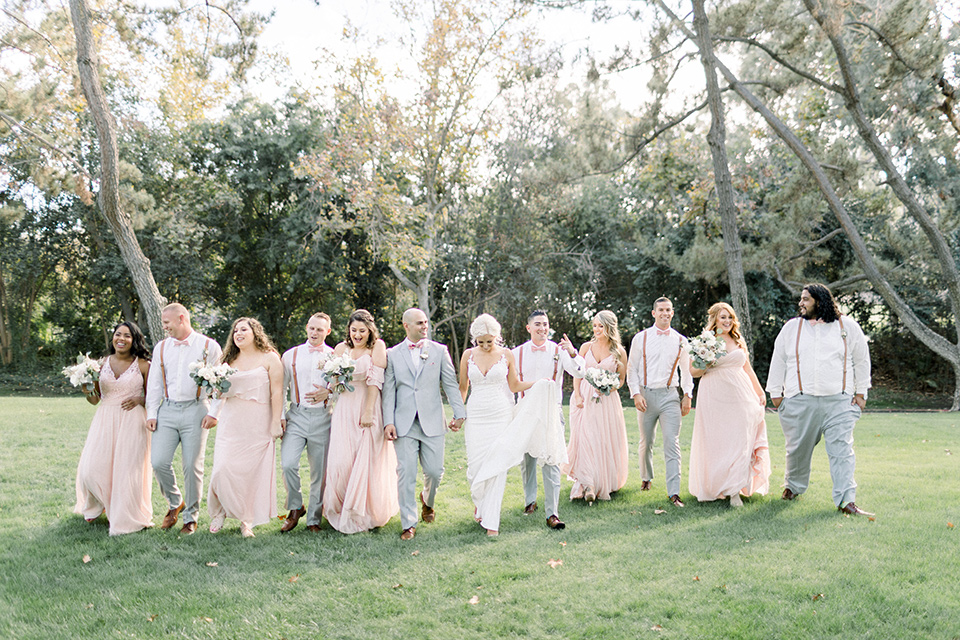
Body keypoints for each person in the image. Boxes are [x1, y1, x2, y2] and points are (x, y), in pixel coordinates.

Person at [766, 283, 873, 516]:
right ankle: (793, 486)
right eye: (801, 299)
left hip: (839, 402)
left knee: (842, 451)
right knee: (797, 450)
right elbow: (779, 359)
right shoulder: (791, 328)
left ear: (820, 300)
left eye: (805, 299)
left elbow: (861, 360)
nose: (800, 303)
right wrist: (775, 394)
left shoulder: (847, 326)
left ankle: (847, 501)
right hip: (800, 400)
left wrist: (861, 393)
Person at [383, 308, 467, 541]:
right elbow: (389, 391)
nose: (424, 326)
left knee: (434, 471)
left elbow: (450, 383)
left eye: (426, 322)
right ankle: (408, 524)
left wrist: (460, 412)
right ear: (406, 326)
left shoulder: (439, 351)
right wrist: (388, 422)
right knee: (406, 472)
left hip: (432, 421)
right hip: (404, 424)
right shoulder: (392, 354)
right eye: (419, 323)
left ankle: (427, 501)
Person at [145, 303, 223, 534]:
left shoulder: (209, 346)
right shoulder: (161, 347)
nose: (164, 327)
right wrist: (152, 413)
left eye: (167, 323)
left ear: (181, 319)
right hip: (167, 410)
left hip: (197, 410)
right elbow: (155, 383)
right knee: (158, 461)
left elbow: (219, 384)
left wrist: (213, 413)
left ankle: (190, 517)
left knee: (192, 465)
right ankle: (174, 502)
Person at [458, 314, 536, 536]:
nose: (484, 346)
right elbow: (463, 387)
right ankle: (480, 503)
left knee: (496, 465)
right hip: (476, 414)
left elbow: (514, 385)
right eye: (480, 342)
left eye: (488, 341)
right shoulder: (468, 355)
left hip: (500, 414)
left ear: (496, 337)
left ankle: (492, 521)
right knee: (476, 467)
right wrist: (458, 413)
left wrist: (538, 383)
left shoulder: (506, 355)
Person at [74, 321, 153, 535]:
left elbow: (154, 398)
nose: (121, 339)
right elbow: (95, 399)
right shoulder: (101, 364)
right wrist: (86, 390)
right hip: (105, 419)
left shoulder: (144, 365)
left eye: (127, 336)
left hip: (133, 421)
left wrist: (139, 399)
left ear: (134, 340)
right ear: (113, 338)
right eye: (118, 334)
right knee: (91, 468)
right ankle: (98, 504)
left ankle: (124, 513)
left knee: (127, 470)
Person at [322, 310, 398, 533]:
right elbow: (334, 381)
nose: (357, 334)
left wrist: (368, 413)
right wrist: (331, 384)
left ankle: (363, 513)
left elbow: (376, 380)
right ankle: (342, 507)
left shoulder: (377, 347)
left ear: (370, 331)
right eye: (354, 330)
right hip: (345, 408)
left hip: (368, 405)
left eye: (362, 331)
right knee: (342, 461)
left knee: (366, 461)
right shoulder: (340, 349)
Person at [688, 303, 771, 507]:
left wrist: (760, 392)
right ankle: (719, 485)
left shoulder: (737, 340)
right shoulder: (705, 341)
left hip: (740, 395)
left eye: (730, 318)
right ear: (715, 319)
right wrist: (706, 361)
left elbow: (748, 369)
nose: (727, 321)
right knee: (719, 441)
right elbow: (693, 372)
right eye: (723, 317)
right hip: (714, 395)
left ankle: (735, 489)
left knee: (740, 439)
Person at [207, 317, 284, 537]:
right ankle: (219, 511)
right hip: (232, 423)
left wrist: (275, 422)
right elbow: (218, 393)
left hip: (258, 423)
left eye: (244, 329)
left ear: (255, 333)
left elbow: (277, 392)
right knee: (222, 470)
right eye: (236, 331)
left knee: (251, 475)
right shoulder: (227, 360)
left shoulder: (270, 358)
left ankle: (246, 521)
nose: (238, 333)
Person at [511, 310, 585, 530]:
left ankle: (552, 512)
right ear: (529, 328)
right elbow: (511, 384)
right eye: (538, 324)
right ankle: (529, 501)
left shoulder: (558, 350)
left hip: (551, 411)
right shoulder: (517, 353)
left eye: (545, 324)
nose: (542, 328)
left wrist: (572, 353)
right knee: (528, 460)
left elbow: (579, 372)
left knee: (552, 460)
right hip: (525, 411)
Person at [626, 297, 693, 507]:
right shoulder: (641, 338)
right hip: (646, 394)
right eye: (661, 310)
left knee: (671, 443)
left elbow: (687, 371)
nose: (665, 313)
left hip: (670, 395)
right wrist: (636, 393)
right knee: (646, 442)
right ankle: (646, 477)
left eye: (668, 310)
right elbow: (631, 368)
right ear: (654, 313)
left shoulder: (681, 340)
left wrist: (688, 395)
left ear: (672, 313)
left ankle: (674, 493)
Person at [564, 310, 629, 503]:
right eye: (595, 326)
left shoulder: (619, 352)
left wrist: (609, 386)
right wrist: (576, 394)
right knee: (585, 439)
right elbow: (577, 372)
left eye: (601, 326)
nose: (597, 329)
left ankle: (601, 481)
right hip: (584, 398)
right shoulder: (585, 347)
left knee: (602, 440)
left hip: (607, 402)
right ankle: (588, 484)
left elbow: (622, 380)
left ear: (609, 327)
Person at [279, 313, 334, 533]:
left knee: (319, 472)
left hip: (323, 417)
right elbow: (281, 388)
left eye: (320, 330)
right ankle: (295, 507)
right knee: (288, 464)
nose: (314, 333)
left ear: (327, 332)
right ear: (306, 328)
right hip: (296, 415)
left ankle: (314, 519)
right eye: (311, 328)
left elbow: (343, 390)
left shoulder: (335, 356)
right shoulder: (290, 355)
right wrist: (281, 416)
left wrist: (328, 393)